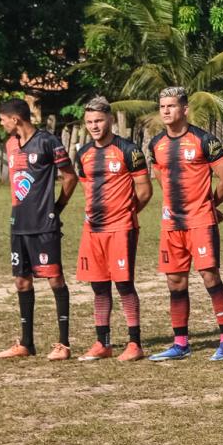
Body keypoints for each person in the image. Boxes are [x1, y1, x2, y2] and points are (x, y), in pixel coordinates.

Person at [146, 87, 223, 361]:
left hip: (200, 221)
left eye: (172, 106)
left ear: (185, 109)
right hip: (171, 223)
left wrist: (209, 205)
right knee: (175, 281)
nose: (166, 111)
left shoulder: (204, 141)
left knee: (210, 276)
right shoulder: (156, 144)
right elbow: (159, 177)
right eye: (162, 106)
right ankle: (180, 343)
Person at [0, 98, 77, 360]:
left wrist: (57, 208)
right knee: (21, 281)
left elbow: (70, 176)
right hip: (18, 225)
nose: (2, 123)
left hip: (44, 225)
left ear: (15, 118)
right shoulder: (10, 145)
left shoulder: (48, 142)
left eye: (3, 118)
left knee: (55, 279)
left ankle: (63, 344)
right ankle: (26, 344)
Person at [71, 97, 151, 361]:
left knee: (124, 284)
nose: (94, 126)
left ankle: (134, 343)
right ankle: (103, 342)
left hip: (121, 227)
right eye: (90, 122)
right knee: (99, 286)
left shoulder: (128, 150)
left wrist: (126, 214)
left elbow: (144, 190)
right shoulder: (83, 153)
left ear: (110, 120)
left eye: (99, 121)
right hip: (93, 229)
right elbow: (86, 189)